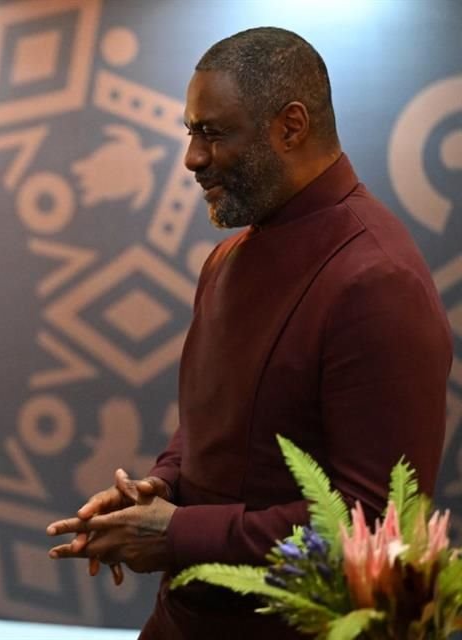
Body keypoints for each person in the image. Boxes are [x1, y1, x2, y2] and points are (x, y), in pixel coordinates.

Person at [47, 26, 452, 639]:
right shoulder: (229, 256)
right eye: (191, 133)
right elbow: (217, 424)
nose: (192, 158)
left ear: (291, 127)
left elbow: (376, 524)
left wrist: (177, 531)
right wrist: (164, 484)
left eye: (212, 133)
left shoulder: (377, 279)